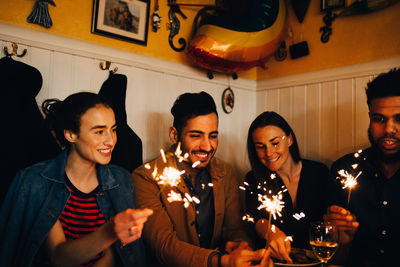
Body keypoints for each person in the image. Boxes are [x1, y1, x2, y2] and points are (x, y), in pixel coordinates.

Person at [0, 92, 153, 266]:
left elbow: (114, 257)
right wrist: (109, 232)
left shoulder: (121, 180)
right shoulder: (36, 182)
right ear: (71, 135)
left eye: (114, 130)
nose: (111, 140)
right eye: (99, 131)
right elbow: (59, 257)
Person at [132, 91, 271, 267]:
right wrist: (220, 261)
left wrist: (241, 245)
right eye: (196, 136)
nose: (207, 146)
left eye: (213, 135)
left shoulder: (225, 172)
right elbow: (164, 247)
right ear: (175, 135)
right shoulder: (146, 178)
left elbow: (236, 228)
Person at [324, 68, 400, 266]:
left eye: (399, 118)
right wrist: (342, 243)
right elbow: (336, 260)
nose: (389, 129)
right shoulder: (345, 169)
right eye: (379, 119)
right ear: (369, 117)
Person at [245, 111, 330, 263]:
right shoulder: (253, 179)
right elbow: (257, 219)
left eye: (275, 143)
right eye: (260, 146)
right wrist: (271, 233)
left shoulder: (319, 172)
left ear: (289, 139)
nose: (269, 153)